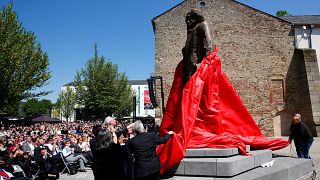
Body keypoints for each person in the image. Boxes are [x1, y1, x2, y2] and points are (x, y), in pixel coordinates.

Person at [182, 9, 213, 85]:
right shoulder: (191, 29)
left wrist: (205, 63)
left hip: (196, 61)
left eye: (188, 18)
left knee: (194, 84)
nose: (186, 21)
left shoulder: (202, 25)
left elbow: (208, 44)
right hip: (188, 61)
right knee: (187, 82)